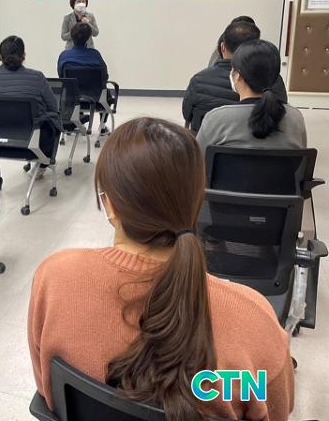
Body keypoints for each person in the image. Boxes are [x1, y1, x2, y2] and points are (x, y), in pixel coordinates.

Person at [28, 117, 294, 421]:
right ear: (197, 204)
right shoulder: (253, 320)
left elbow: (48, 392)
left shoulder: (54, 278)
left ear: (110, 206)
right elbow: (277, 413)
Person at [197, 40, 306, 152]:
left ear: (238, 76)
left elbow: (197, 159)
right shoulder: (295, 118)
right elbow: (302, 160)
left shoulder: (216, 118)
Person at [0, 36, 61, 177]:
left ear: (0, 56)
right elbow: (53, 107)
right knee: (54, 122)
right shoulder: (37, 78)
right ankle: (43, 164)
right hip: (32, 144)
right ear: (24, 56)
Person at [183, 21, 288, 132]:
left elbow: (187, 115)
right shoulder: (273, 79)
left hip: (207, 139)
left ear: (222, 47)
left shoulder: (199, 81)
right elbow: (283, 112)